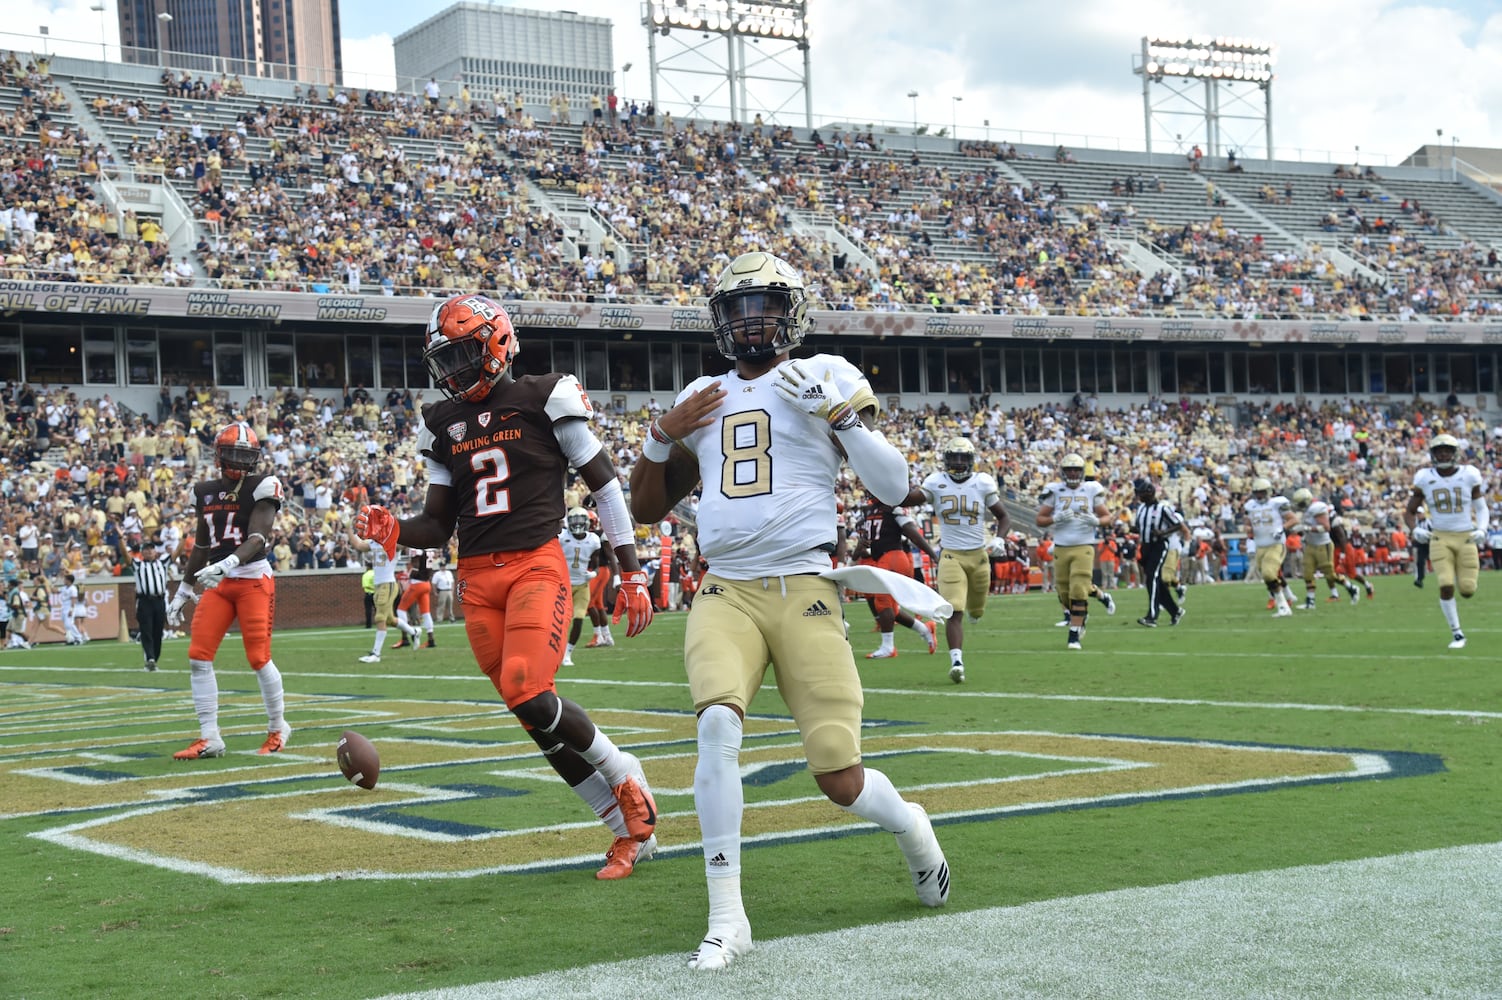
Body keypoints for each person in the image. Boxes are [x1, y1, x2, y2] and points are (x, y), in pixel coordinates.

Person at [628, 251, 950, 972]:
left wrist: (841, 418)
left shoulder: (826, 373)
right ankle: (726, 917)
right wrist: (659, 435)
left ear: (792, 311)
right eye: (738, 308)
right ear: (721, 320)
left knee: (839, 776)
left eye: (764, 305)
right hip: (726, 589)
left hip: (805, 586)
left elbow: (894, 487)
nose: (751, 322)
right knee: (715, 723)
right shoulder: (704, 393)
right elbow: (649, 505)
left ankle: (911, 826)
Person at [354, 293, 660, 881]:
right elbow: (438, 524)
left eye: (466, 354)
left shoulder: (545, 396)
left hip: (535, 566)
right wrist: (395, 529)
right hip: (475, 575)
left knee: (528, 689)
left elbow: (606, 485)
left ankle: (626, 780)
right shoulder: (441, 422)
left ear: (497, 343)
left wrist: (632, 570)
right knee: (529, 716)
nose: (455, 371)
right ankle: (623, 832)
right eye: (447, 360)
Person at [165, 422, 292, 758]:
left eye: (245, 454)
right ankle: (210, 737)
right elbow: (202, 544)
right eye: (233, 453)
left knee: (258, 658)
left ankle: (278, 727)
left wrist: (226, 564)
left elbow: (258, 538)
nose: (238, 461)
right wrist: (183, 588)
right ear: (219, 454)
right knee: (198, 656)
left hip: (251, 578)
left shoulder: (263, 485)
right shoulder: (203, 490)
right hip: (218, 583)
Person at [901, 435, 1007, 682]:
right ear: (946, 459)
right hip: (950, 555)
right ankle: (957, 661)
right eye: (954, 457)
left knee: (977, 610)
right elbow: (908, 499)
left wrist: (999, 538)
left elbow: (1004, 516)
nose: (958, 463)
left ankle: (976, 613)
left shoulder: (982, 482)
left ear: (971, 460)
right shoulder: (936, 482)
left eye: (963, 458)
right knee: (954, 610)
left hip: (979, 556)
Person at [1404, 433, 1488, 649]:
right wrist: (1414, 530)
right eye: (1439, 450)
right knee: (1445, 584)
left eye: (1447, 450)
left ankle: (1463, 589)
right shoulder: (1424, 477)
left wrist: (1482, 528)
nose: (1443, 454)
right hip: (1440, 537)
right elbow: (1410, 511)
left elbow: (1480, 506)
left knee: (1468, 589)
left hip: (1466, 536)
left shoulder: (1469, 475)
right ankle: (1457, 634)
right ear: (1433, 454)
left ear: (1455, 453)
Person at [1035, 454, 1113, 650]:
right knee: (1063, 592)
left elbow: (1107, 517)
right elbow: (1040, 520)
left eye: (1076, 470)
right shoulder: (1055, 490)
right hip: (1061, 546)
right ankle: (1097, 600)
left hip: (1084, 545)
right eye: (1069, 469)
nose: (1072, 473)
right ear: (1063, 471)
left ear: (1082, 472)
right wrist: (1056, 518)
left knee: (1078, 587)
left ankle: (1074, 634)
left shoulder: (1091, 489)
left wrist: (1096, 521)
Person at [851, 495, 939, 660]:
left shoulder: (893, 508)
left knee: (882, 602)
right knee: (893, 610)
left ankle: (888, 647)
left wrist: (933, 554)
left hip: (893, 557)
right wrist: (852, 559)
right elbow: (862, 545)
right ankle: (925, 629)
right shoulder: (870, 512)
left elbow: (912, 533)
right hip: (881, 559)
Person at [351, 530, 419, 661]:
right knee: (389, 620)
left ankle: (376, 654)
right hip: (379, 585)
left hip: (388, 584)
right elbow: (358, 545)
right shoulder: (373, 543)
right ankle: (414, 632)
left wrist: (403, 531)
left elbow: (402, 544)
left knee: (380, 617)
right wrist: (348, 528)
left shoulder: (391, 542)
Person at [1289, 488, 1360, 609]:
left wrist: (1306, 528)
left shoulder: (1317, 508)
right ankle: (1310, 602)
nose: (1298, 506)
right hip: (1311, 544)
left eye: (1300, 503)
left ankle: (1352, 588)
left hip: (1323, 544)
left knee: (1330, 575)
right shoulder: (1307, 510)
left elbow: (1326, 527)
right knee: (1307, 573)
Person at [1131, 478, 1187, 627]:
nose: (1140, 496)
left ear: (1150, 493)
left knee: (1152, 578)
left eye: (1142, 493)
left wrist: (1163, 532)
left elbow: (1177, 525)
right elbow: (1139, 527)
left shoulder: (1163, 508)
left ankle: (1152, 615)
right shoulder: (1141, 509)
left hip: (1159, 545)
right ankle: (1175, 611)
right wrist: (1132, 530)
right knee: (1156, 581)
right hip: (1146, 546)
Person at [1243, 477, 1298, 617]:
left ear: (1268, 491)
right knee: (1268, 577)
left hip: (1275, 545)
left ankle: (1284, 606)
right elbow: (1248, 522)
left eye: (1262, 492)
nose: (1259, 495)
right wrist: (1248, 528)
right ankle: (1284, 604)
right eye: (1257, 492)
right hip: (1260, 546)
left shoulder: (1277, 503)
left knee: (1269, 573)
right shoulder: (1250, 506)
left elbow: (1293, 519)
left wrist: (1282, 528)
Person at [119, 531, 170, 670]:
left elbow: (177, 552)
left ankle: (153, 659)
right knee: (146, 630)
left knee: (158, 632)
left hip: (159, 601)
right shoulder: (138, 565)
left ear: (155, 551)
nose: (149, 551)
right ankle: (150, 658)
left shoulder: (163, 563)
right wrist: (120, 539)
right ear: (142, 553)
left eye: (151, 549)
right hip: (145, 601)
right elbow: (125, 555)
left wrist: (184, 537)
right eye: (146, 549)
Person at [559, 506, 603, 667]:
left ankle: (567, 654)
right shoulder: (561, 536)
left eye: (580, 521)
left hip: (582, 586)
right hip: (562, 585)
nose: (577, 525)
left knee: (578, 619)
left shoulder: (593, 540)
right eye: (574, 521)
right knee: (560, 621)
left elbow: (596, 565)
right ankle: (556, 651)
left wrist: (594, 574)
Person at [392, 549, 436, 649]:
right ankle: (431, 639)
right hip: (426, 583)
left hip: (417, 584)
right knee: (426, 613)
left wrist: (410, 572)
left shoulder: (419, 550)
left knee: (400, 609)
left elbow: (415, 565)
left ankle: (405, 637)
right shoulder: (430, 551)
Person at [1411, 509, 1432, 588]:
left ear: (1423, 514)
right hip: (1421, 544)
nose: (1418, 515)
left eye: (1420, 513)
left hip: (1430, 543)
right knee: (1420, 562)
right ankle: (1419, 579)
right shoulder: (1416, 523)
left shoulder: (1428, 522)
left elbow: (1432, 531)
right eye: (1417, 513)